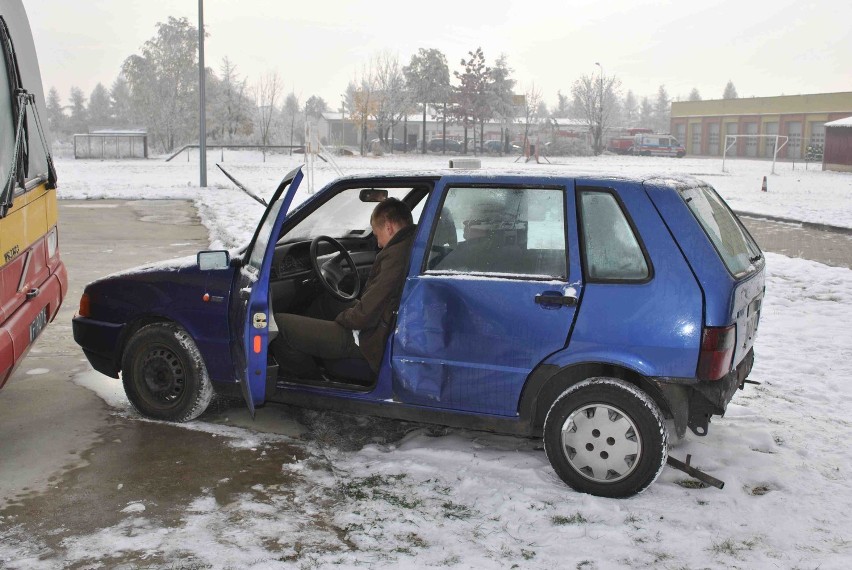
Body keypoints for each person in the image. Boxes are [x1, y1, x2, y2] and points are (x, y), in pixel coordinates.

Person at [271, 198, 416, 378]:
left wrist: (342, 320)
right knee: (328, 300)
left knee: (279, 325)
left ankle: (315, 384)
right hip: (380, 326)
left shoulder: (396, 256)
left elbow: (363, 316)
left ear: (389, 227)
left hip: (370, 341)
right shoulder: (411, 244)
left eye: (378, 236)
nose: (378, 244)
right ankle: (313, 346)